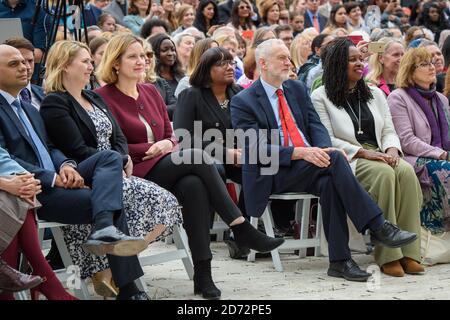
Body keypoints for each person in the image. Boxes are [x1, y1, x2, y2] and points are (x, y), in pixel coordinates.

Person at [95, 33, 284, 299]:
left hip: (165, 163)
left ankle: (203, 276)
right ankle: (241, 228)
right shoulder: (103, 96)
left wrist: (165, 143)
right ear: (115, 63)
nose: (141, 61)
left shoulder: (150, 90)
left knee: (194, 186)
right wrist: (150, 148)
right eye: (133, 57)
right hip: (134, 170)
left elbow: (171, 134)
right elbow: (110, 143)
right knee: (197, 155)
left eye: (143, 56)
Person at [230, 39, 418, 282]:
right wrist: (300, 153)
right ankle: (378, 225)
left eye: (289, 56)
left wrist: (321, 149)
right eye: (282, 58)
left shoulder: (296, 89)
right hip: (273, 170)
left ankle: (340, 261)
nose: (289, 62)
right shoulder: (243, 101)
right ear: (263, 64)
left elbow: (315, 126)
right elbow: (254, 148)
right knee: (336, 161)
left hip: (309, 165)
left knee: (331, 176)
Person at [0, 44, 149, 300]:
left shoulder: (27, 108)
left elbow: (49, 147)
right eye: (14, 64)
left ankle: (104, 228)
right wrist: (52, 177)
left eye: (25, 62)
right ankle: (129, 288)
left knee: (110, 157)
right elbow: (6, 158)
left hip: (57, 177)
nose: (25, 67)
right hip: (34, 189)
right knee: (109, 204)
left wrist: (65, 165)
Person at [40, 40, 183, 298]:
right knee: (125, 189)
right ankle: (127, 284)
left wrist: (122, 156)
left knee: (167, 202)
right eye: (84, 61)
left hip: (112, 169)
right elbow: (76, 148)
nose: (90, 65)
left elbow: (117, 135)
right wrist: (115, 160)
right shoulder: (55, 103)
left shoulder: (92, 97)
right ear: (64, 66)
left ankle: (107, 252)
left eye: (89, 60)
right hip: (86, 170)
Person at [311, 38, 423, 277]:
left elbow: (389, 130)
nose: (360, 63)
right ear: (338, 64)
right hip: (350, 157)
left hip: (381, 152)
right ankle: (388, 255)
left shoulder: (373, 92)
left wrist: (392, 150)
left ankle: (410, 253)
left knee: (405, 172)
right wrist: (363, 152)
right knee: (383, 176)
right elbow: (327, 138)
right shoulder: (321, 96)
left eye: (360, 59)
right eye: (352, 60)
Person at [173, 47, 248, 258]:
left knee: (259, 169)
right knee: (215, 168)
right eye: (221, 63)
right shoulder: (191, 95)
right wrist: (226, 152)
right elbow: (184, 136)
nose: (229, 67)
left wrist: (243, 151)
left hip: (237, 155)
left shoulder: (240, 94)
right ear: (206, 69)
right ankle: (202, 238)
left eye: (231, 62)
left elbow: (249, 128)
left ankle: (242, 233)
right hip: (203, 158)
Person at [388, 48, 450, 236]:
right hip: (412, 158)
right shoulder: (398, 98)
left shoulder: (440, 99)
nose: (431, 67)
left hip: (441, 154)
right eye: (424, 64)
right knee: (444, 170)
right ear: (410, 70)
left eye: (432, 63)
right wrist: (440, 154)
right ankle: (436, 229)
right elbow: (406, 140)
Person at [3, 37, 45, 109]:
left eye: (30, 61)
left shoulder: (45, 93)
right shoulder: (4, 98)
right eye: (15, 63)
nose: (27, 67)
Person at [142, 41, 177, 119]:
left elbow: (176, 107)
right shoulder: (128, 85)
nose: (147, 58)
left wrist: (154, 110)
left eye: (149, 54)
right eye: (142, 55)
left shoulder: (160, 82)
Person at [148, 33, 185, 97]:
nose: (170, 53)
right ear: (155, 53)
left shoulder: (181, 76)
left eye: (173, 50)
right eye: (164, 50)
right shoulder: (151, 80)